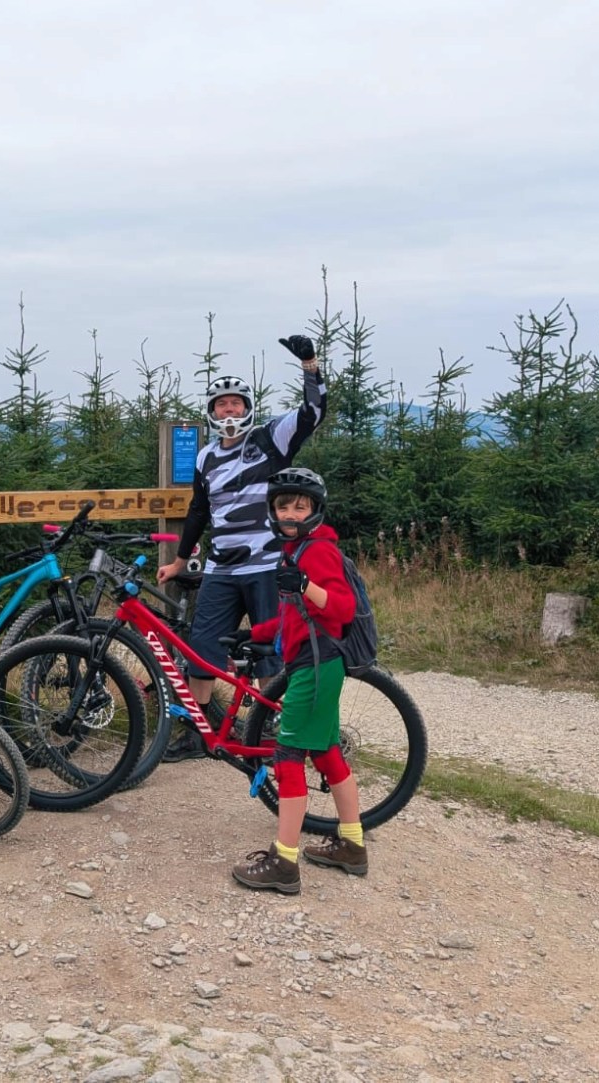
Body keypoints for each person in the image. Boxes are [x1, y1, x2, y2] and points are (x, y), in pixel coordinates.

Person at [155, 334, 326, 761]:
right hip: (220, 569)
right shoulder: (205, 457)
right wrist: (179, 563)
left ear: (247, 408)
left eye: (236, 403)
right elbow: (198, 511)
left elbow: (313, 414)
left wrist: (310, 365)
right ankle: (199, 732)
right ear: (211, 412)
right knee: (203, 650)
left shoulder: (270, 440)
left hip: (268, 564)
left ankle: (272, 733)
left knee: (272, 653)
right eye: (221, 404)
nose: (228, 410)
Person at [230, 466, 366, 894]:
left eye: (299, 505)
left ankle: (284, 864)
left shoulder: (316, 553)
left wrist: (307, 585)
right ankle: (352, 847)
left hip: (317, 666)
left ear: (314, 510)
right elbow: (294, 618)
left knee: (288, 758)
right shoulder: (296, 551)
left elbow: (340, 609)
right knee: (326, 755)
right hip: (315, 663)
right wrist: (253, 633)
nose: (290, 512)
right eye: (283, 505)